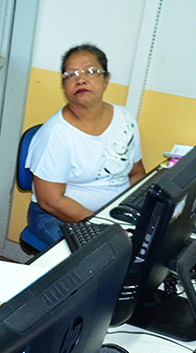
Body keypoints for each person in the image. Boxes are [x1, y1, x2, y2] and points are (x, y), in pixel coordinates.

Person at [26, 43, 146, 245]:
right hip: (56, 216)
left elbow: (136, 174)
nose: (80, 79)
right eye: (70, 74)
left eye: (90, 71)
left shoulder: (125, 119)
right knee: (105, 259)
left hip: (115, 215)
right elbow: (51, 202)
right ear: (64, 86)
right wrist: (105, 229)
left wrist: (139, 213)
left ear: (105, 80)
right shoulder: (56, 133)